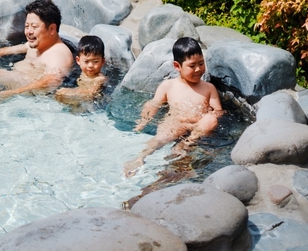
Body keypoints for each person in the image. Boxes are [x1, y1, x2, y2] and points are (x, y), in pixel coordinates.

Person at [124, 36, 223, 178]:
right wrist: (143, 122)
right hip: (176, 123)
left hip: (198, 127)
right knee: (162, 137)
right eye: (192, 65)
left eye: (201, 63)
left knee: (210, 120)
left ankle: (185, 144)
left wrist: (211, 117)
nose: (198, 69)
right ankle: (140, 157)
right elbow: (153, 104)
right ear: (177, 66)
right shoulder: (168, 86)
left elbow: (218, 111)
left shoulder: (209, 88)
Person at [0, 0, 74, 98]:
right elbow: (4, 51)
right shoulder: (35, 44)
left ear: (52, 29)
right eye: (26, 26)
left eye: (34, 27)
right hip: (14, 83)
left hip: (28, 89)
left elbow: (50, 82)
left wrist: (14, 92)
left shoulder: (59, 54)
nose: (29, 31)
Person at [55, 34, 107, 104]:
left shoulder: (100, 79)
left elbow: (90, 94)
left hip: (91, 105)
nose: (90, 65)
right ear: (78, 60)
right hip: (81, 99)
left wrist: (70, 92)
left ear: (103, 61)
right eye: (86, 61)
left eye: (96, 61)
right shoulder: (80, 72)